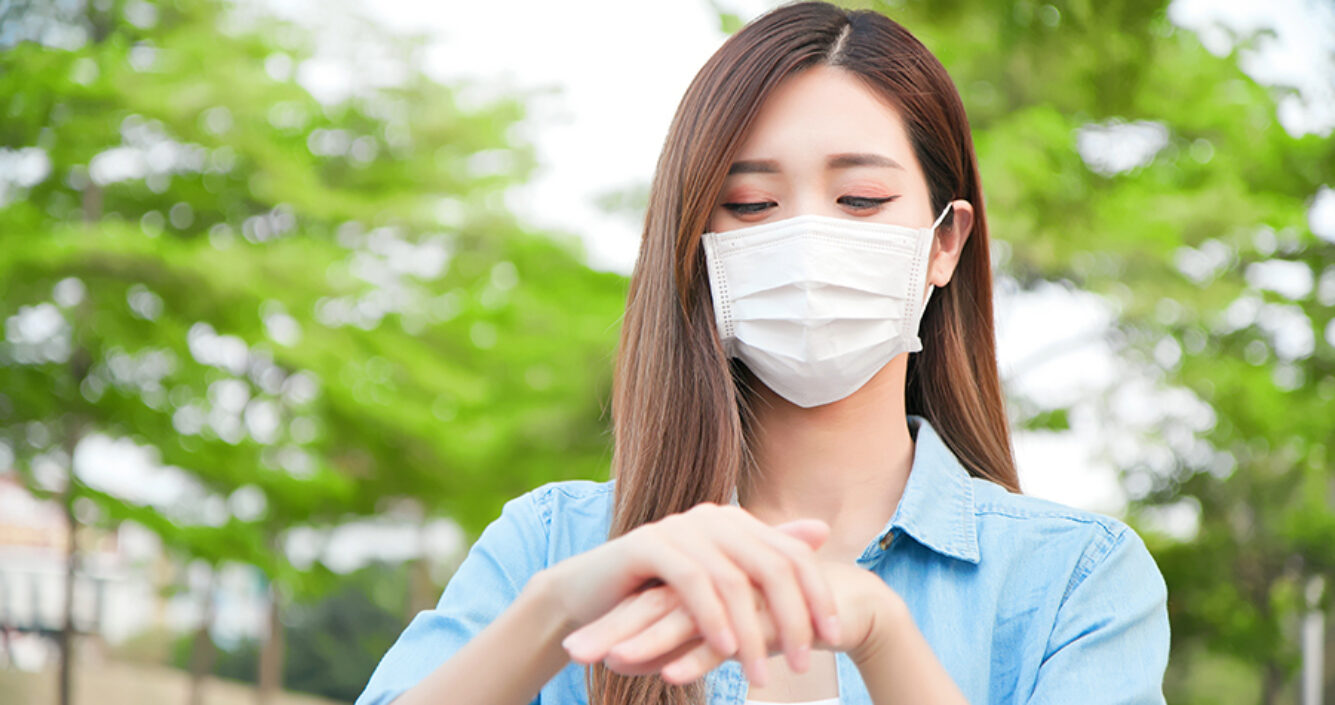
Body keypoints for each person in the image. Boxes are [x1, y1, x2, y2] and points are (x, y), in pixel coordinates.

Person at [354, 2, 1171, 704]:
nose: (804, 237)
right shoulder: (553, 542)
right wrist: (555, 611)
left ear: (944, 241)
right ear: (696, 240)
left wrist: (884, 638)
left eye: (859, 199)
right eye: (748, 204)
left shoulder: (1076, 579)